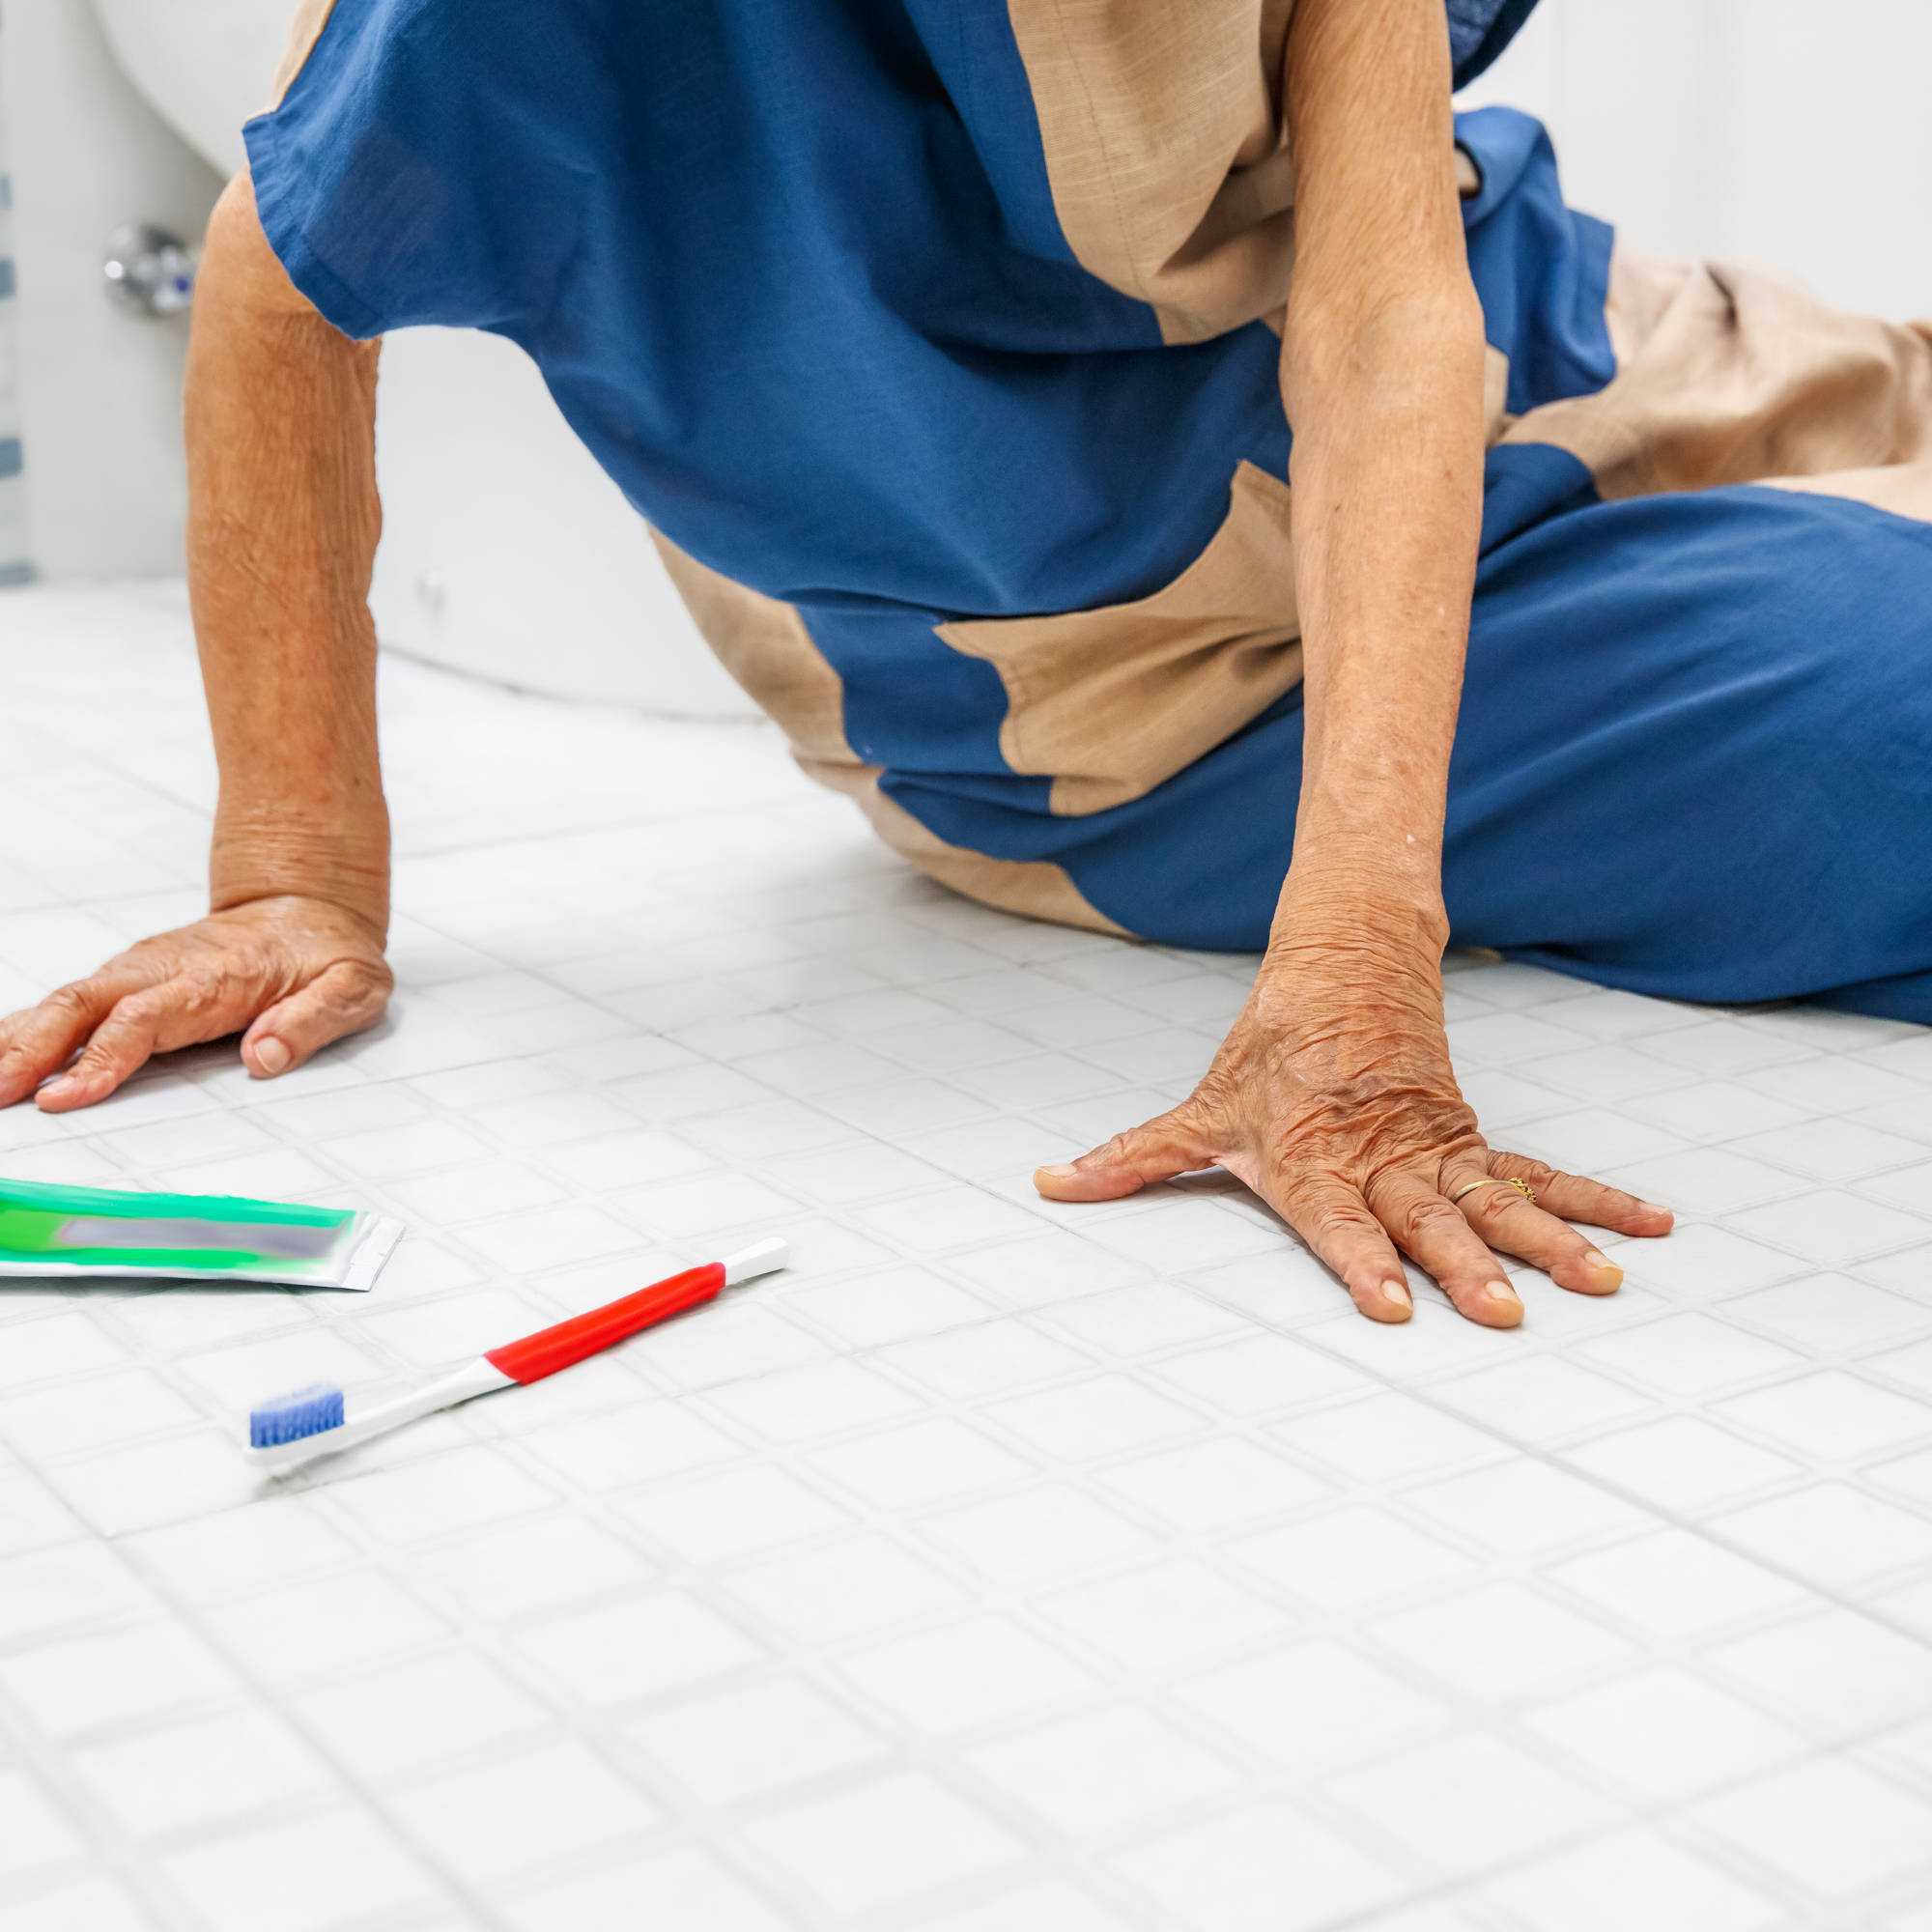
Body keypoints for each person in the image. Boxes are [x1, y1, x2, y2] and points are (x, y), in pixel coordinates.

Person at [2, 0, 1927, 1327]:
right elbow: (282, 269)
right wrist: (290, 869)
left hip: (1563, 341)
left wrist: (1352, 965)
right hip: (1165, 689)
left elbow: (1377, 327)